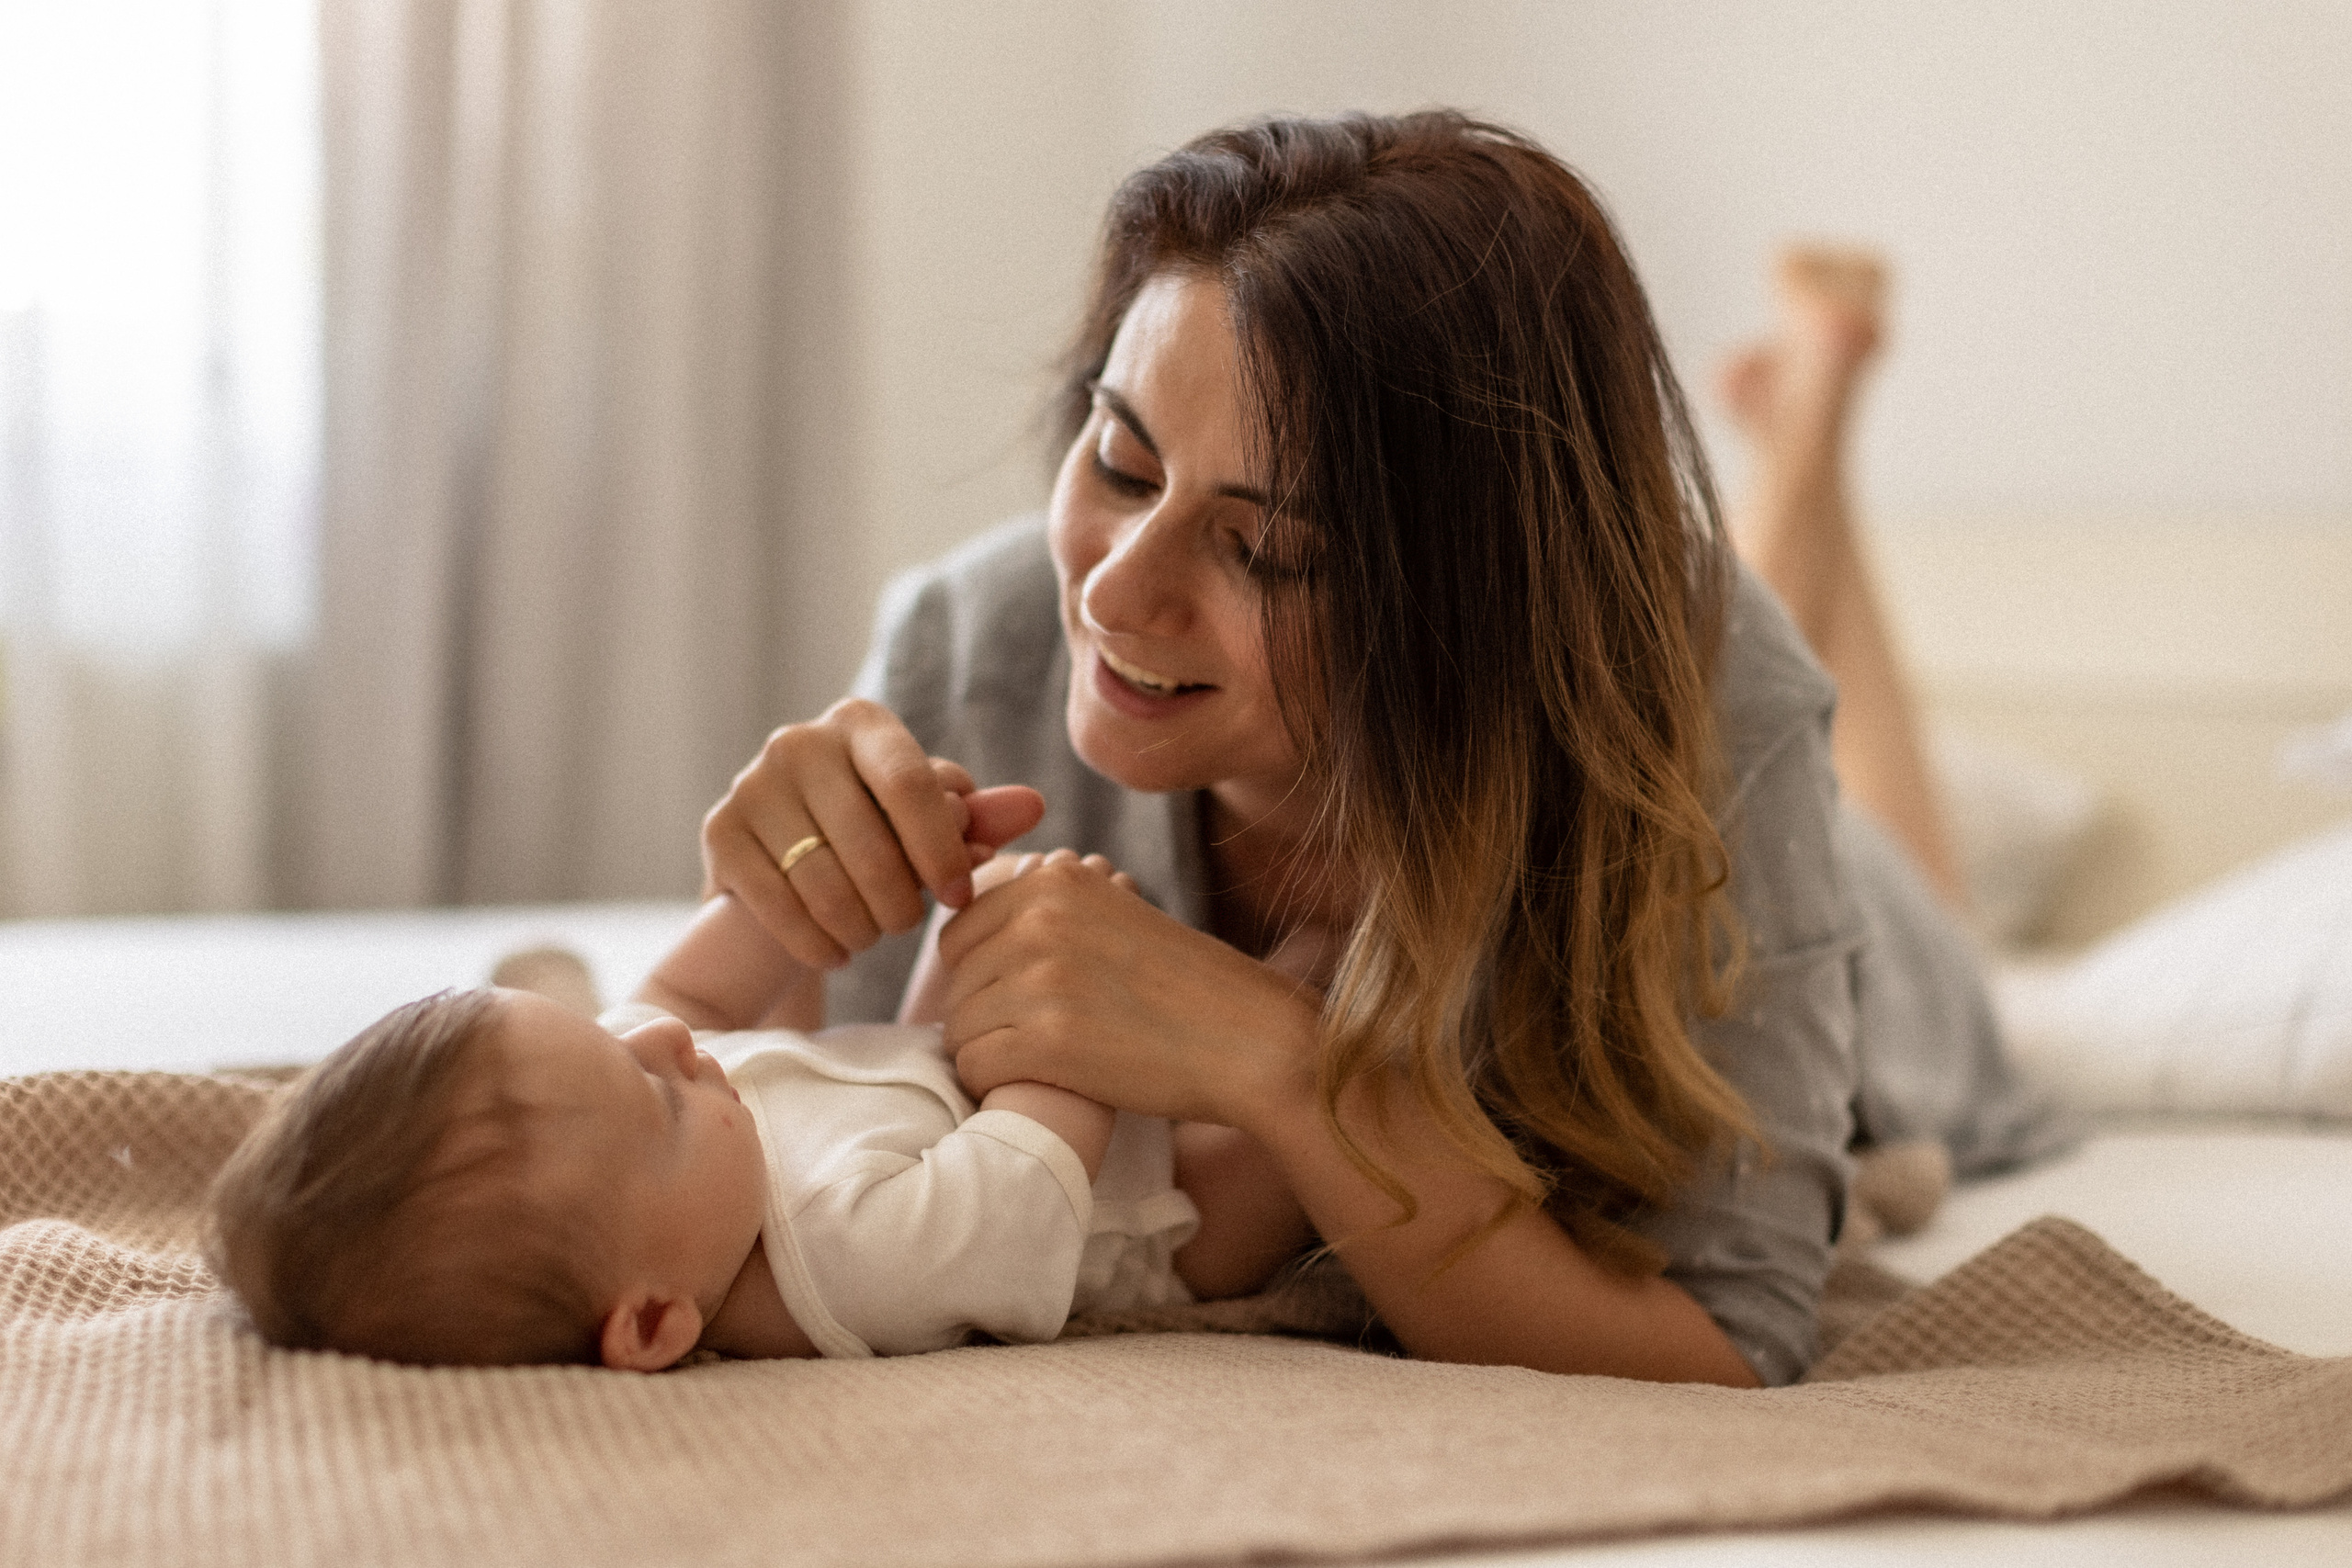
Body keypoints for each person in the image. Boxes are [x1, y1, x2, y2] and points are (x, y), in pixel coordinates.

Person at [697, 110, 2061, 1390]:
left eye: (1267, 546)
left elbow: (1734, 1336)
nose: (1112, 597)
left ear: (1473, 604)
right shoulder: (970, 648)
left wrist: (1289, 1064)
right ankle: (1806, 433)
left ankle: (1811, 430)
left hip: (1870, 940)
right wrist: (772, 909)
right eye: (1121, 460)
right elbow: (817, 1139)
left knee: (1931, 895)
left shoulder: (1699, 708)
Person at [206, 802, 1314, 1370]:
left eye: (609, 1042)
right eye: (650, 1097)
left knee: (995, 905)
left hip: (930, 1070)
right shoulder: (838, 1262)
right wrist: (1075, 1022)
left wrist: (834, 873)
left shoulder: (643, 1128)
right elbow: (1015, 1198)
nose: (664, 1048)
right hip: (1147, 1202)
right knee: (1325, 1053)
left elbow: (697, 991)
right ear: (652, 1322)